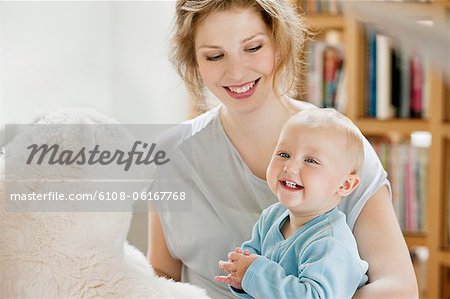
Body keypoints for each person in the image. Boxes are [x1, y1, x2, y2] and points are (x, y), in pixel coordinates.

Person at [148, 1, 418, 298]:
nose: (236, 72)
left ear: (279, 42)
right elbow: (160, 276)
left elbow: (399, 289)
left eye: (252, 48)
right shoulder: (170, 154)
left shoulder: (342, 146)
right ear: (194, 60)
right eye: (214, 56)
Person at [215, 108, 369, 298]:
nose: (290, 167)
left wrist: (252, 272)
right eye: (284, 154)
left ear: (345, 184)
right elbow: (256, 278)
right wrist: (241, 276)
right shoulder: (271, 217)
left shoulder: (330, 242)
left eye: (311, 160)